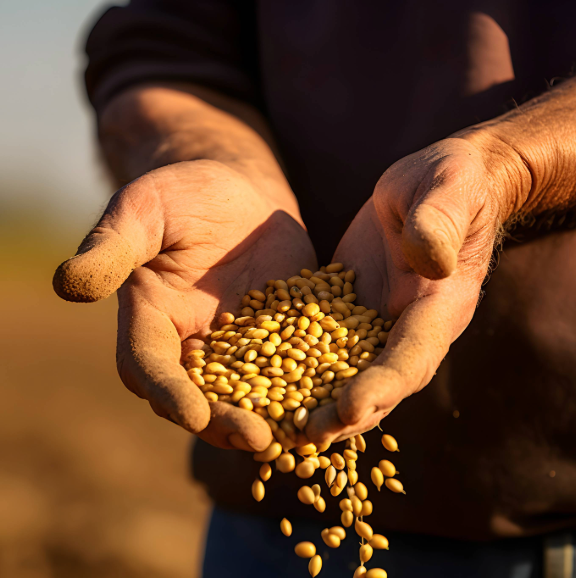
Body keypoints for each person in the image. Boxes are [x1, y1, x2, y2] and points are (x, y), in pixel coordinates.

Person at [53, 2, 576, 576]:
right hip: (265, 506)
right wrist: (208, 158)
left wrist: (511, 166)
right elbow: (163, 47)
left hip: (551, 504)